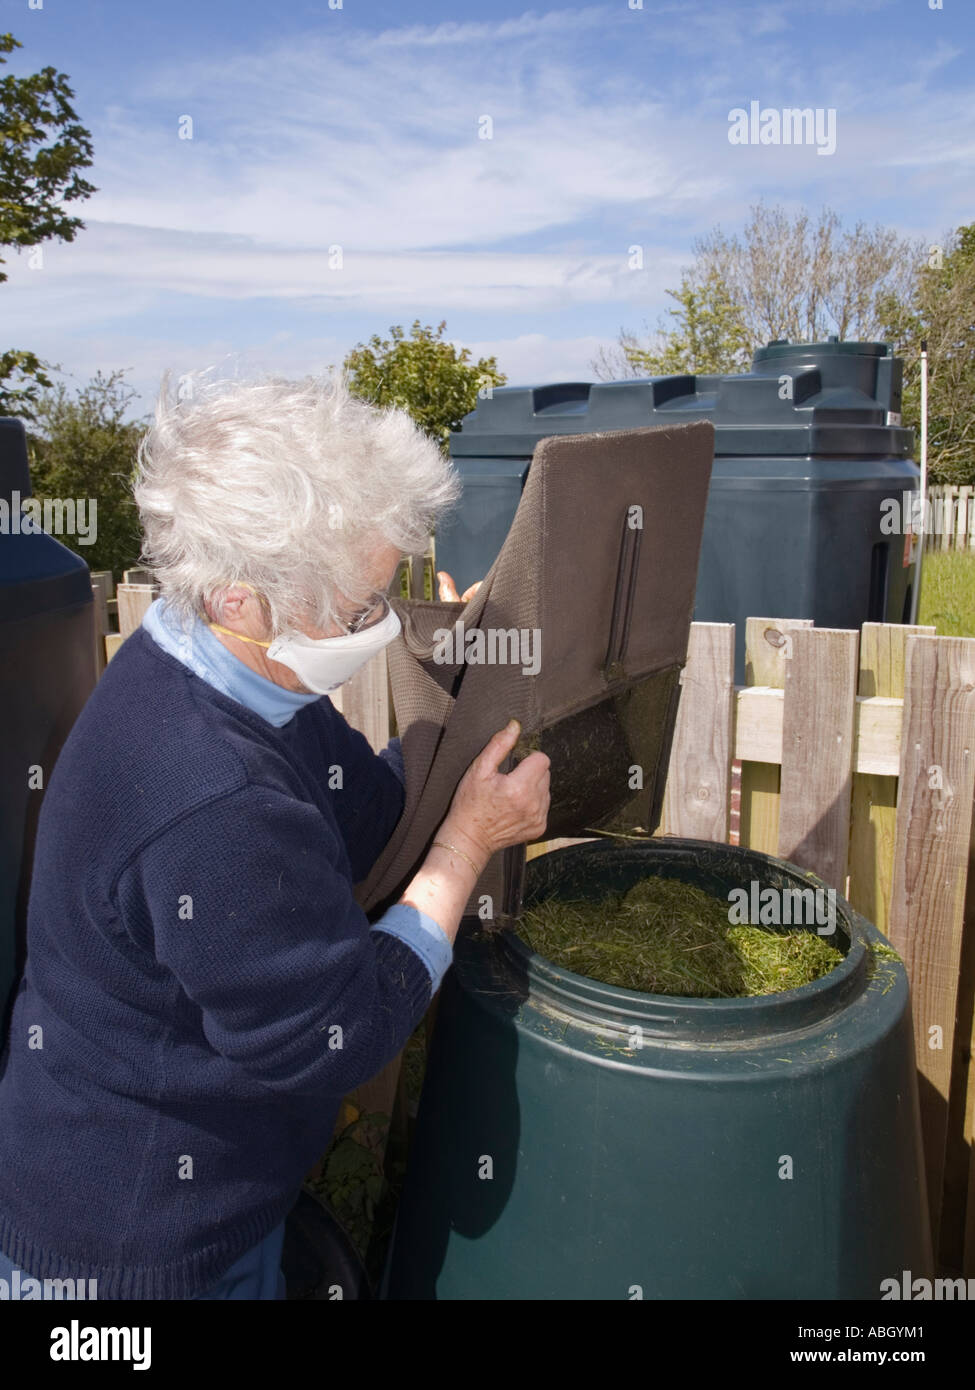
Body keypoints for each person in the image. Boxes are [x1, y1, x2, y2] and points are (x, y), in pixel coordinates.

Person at [0, 371, 549, 1300]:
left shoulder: (223, 671)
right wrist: (464, 849)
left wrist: (459, 658)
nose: (374, 628)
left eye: (384, 592)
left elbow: (368, 810)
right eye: (356, 608)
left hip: (207, 1191)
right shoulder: (212, 797)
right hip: (137, 1251)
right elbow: (335, 1037)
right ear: (237, 598)